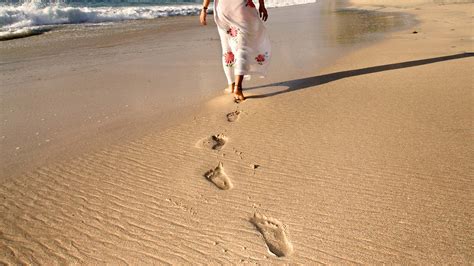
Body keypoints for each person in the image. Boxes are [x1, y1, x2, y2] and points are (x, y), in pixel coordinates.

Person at [200, 0, 271, 102]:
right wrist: (262, 5)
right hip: (241, 9)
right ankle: (238, 87)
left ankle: (232, 85)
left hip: (222, 10)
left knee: (227, 48)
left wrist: (204, 9)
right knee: (242, 48)